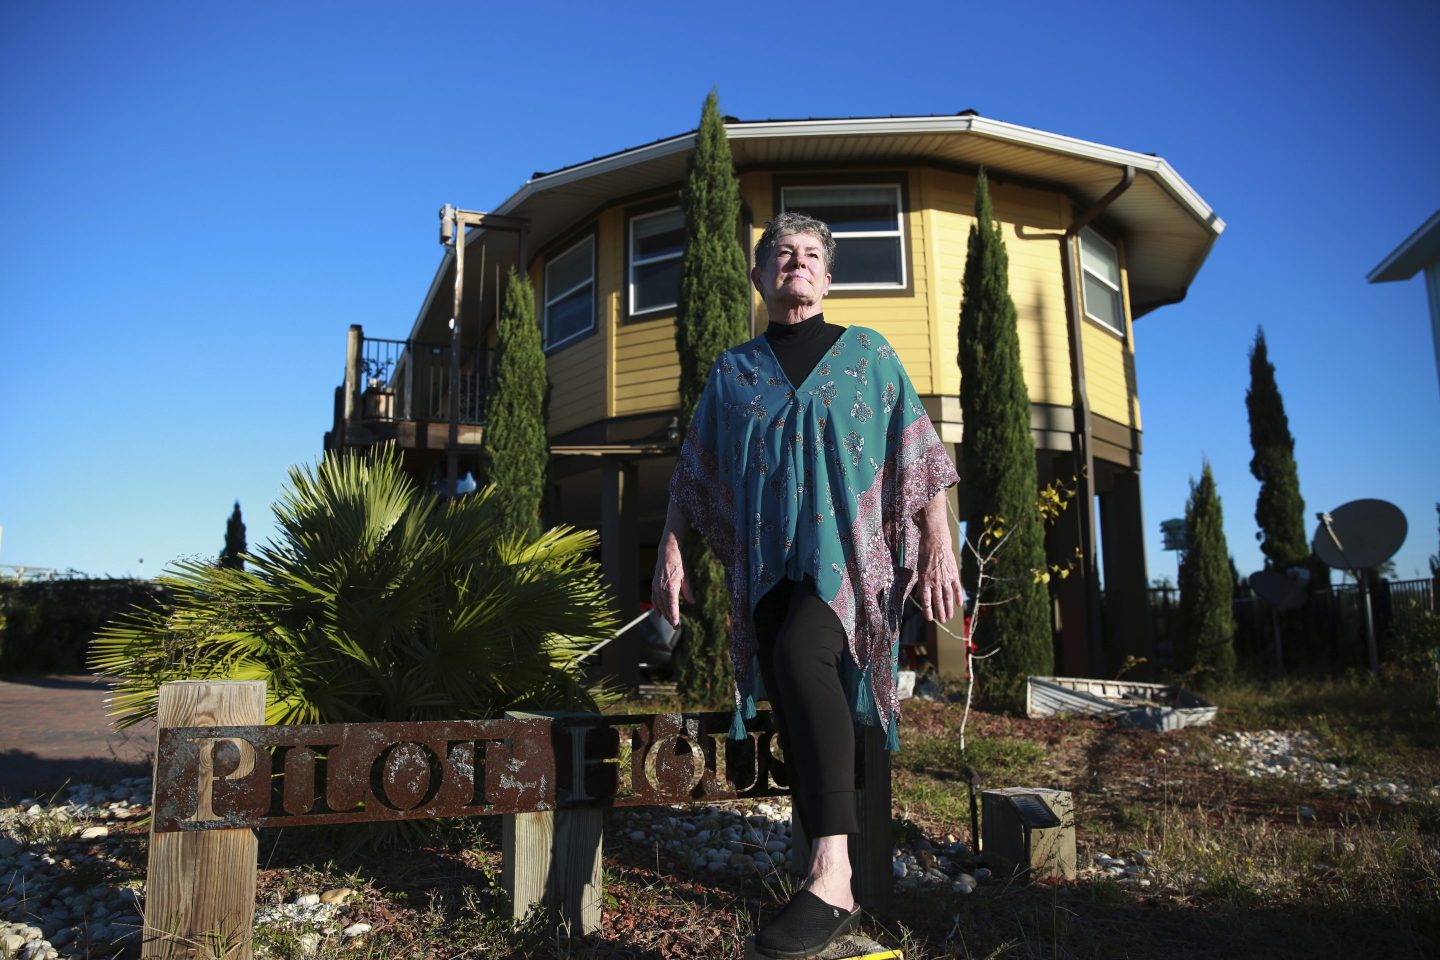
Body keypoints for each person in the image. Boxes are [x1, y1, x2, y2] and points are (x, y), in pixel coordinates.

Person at [653, 211, 960, 959]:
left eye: (810, 255)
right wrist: (669, 551)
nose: (795, 263)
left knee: (799, 658)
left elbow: (916, 449)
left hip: (850, 565)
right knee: (790, 684)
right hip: (766, 571)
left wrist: (940, 543)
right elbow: (693, 471)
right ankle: (820, 872)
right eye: (781, 254)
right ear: (760, 278)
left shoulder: (868, 355)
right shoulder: (734, 374)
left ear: (827, 278)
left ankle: (833, 879)